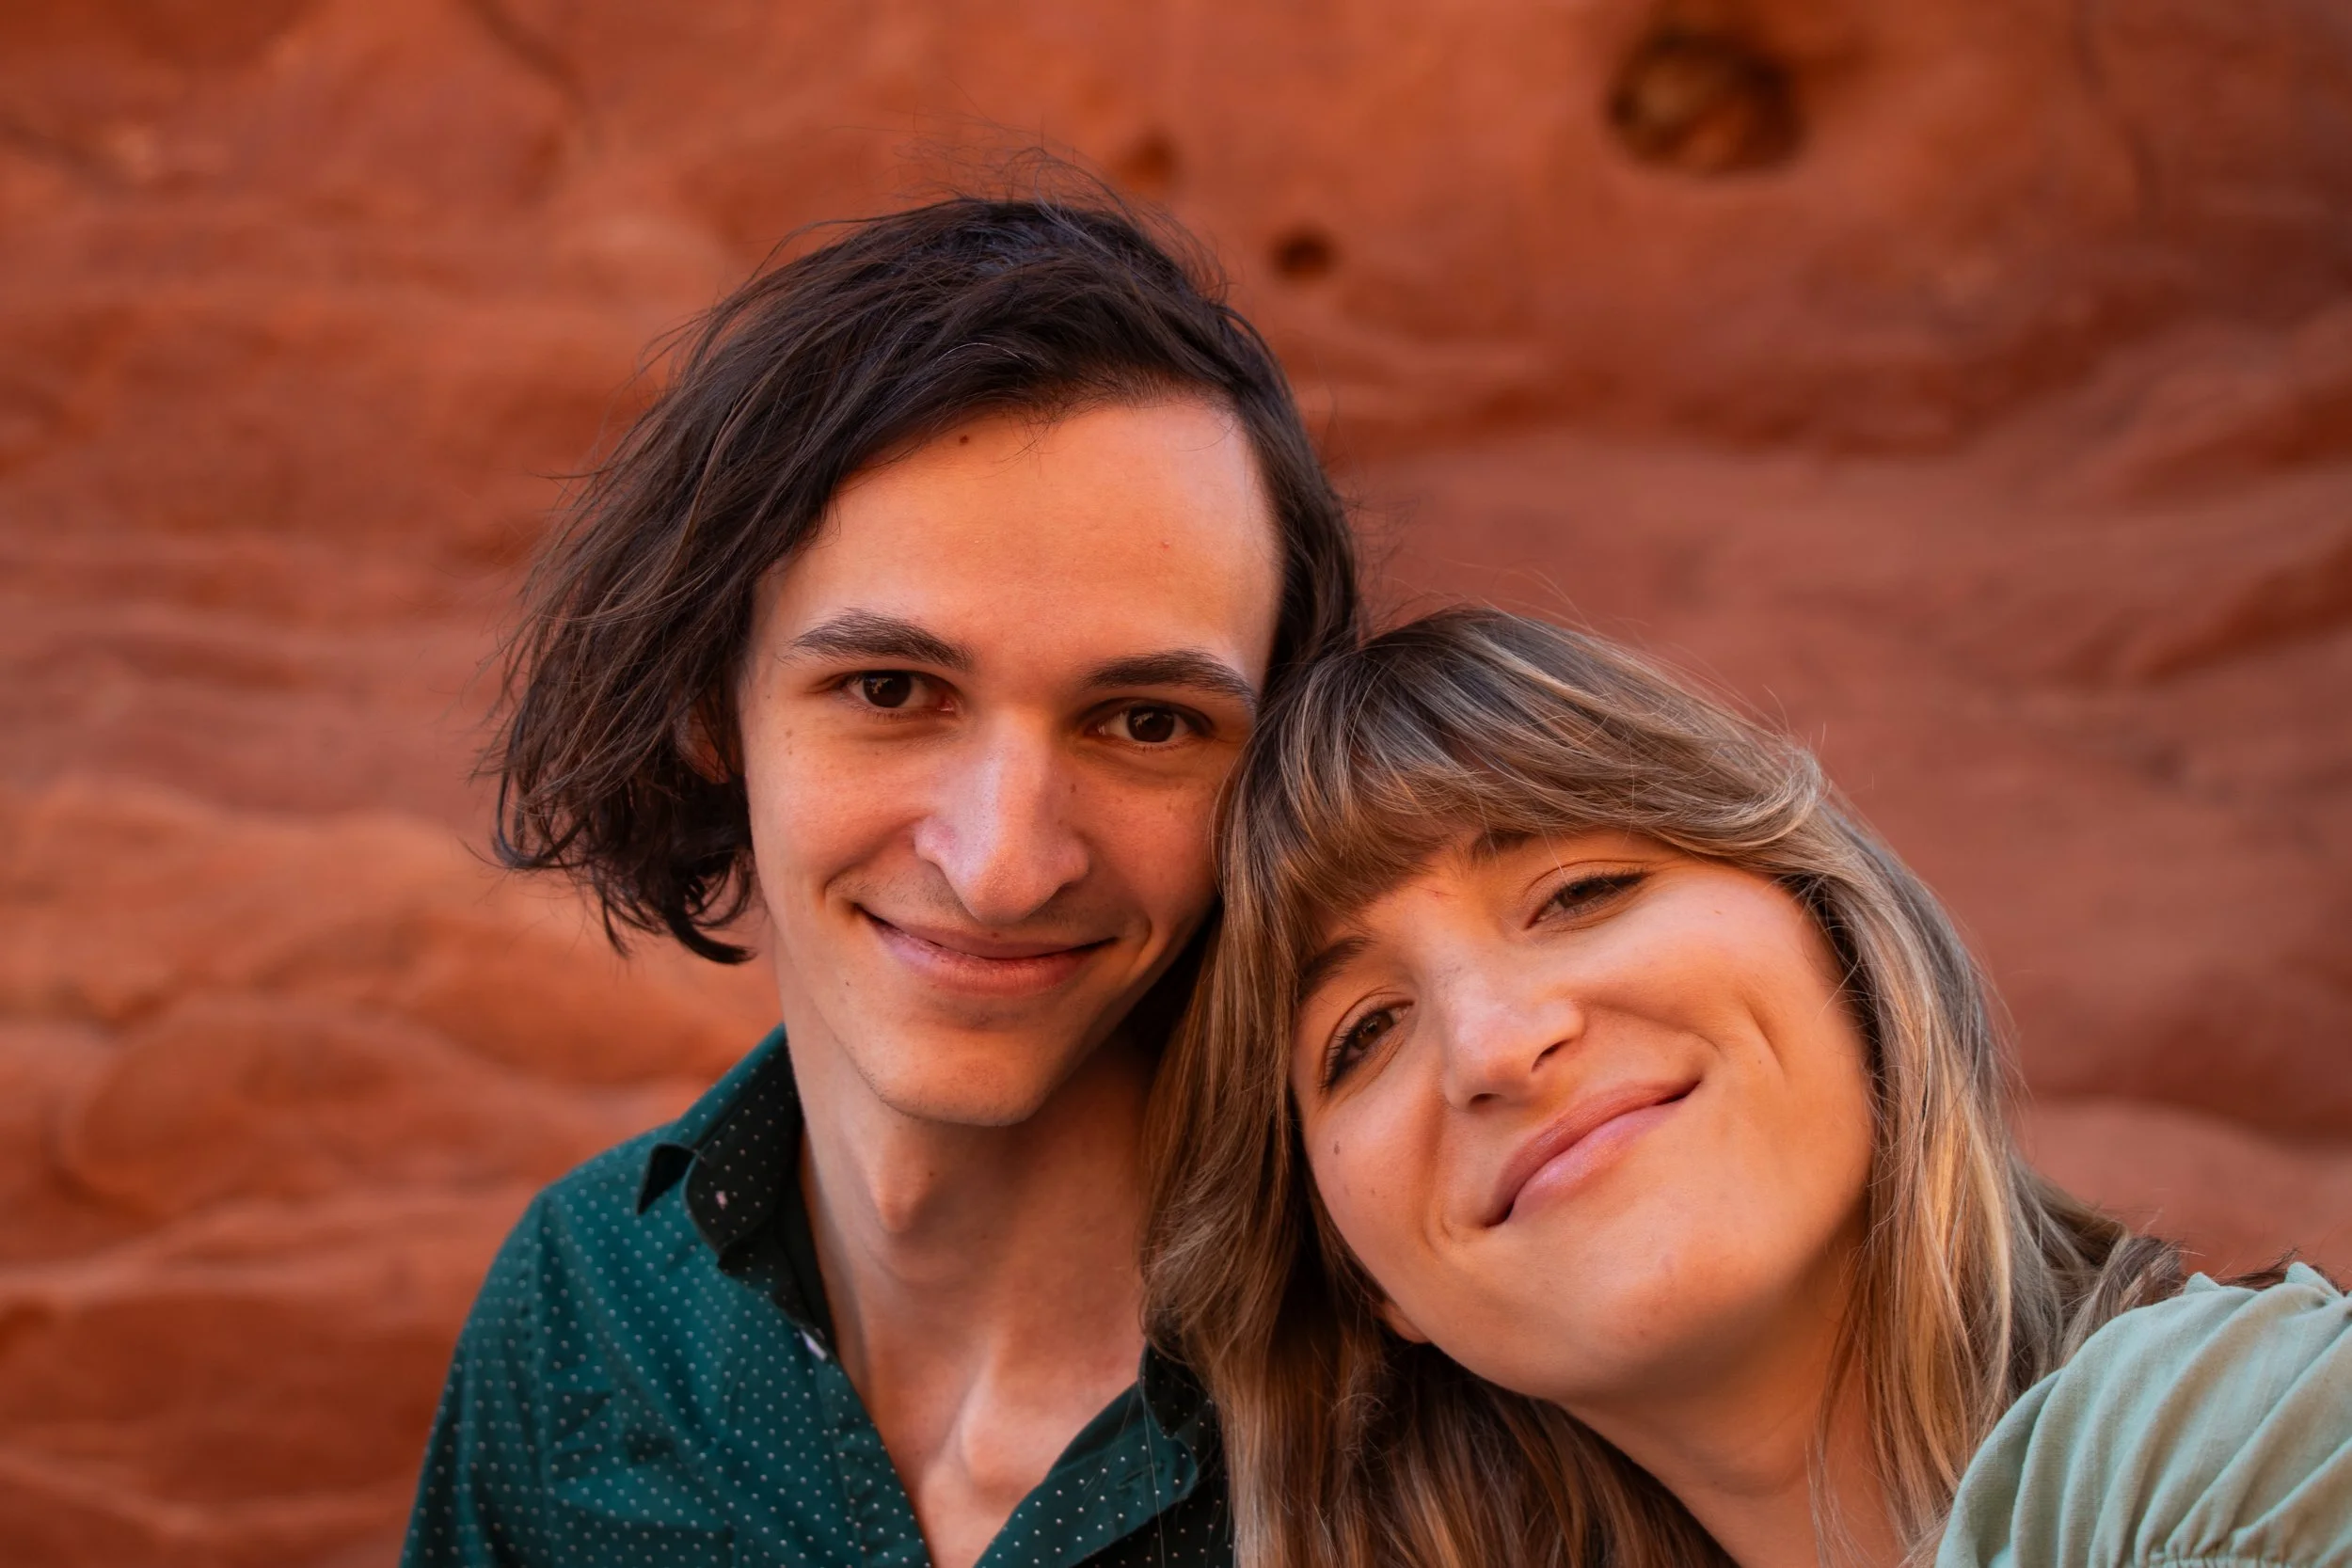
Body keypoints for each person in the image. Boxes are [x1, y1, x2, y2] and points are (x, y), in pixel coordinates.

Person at [402, 185, 1360, 1568]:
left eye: (1148, 722)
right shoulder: (589, 1307)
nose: (1004, 865)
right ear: (709, 704)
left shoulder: (1432, 1352)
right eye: (892, 687)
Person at [1145, 607, 2352, 1568]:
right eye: (1359, 1033)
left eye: (1581, 891)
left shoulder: (2242, 1454)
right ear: (1361, 1282)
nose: (1494, 1047)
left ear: (1835, 935)